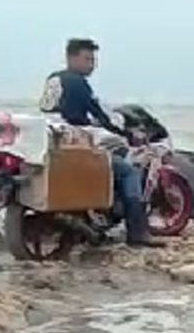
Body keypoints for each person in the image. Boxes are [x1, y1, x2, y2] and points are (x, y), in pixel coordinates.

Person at [39, 38, 156, 247]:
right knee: (128, 172)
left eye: (93, 60)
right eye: (87, 59)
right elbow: (102, 114)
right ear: (71, 58)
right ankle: (137, 233)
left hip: (52, 138)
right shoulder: (77, 82)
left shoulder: (54, 79)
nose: (91, 64)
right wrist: (127, 133)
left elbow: (68, 112)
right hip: (73, 140)